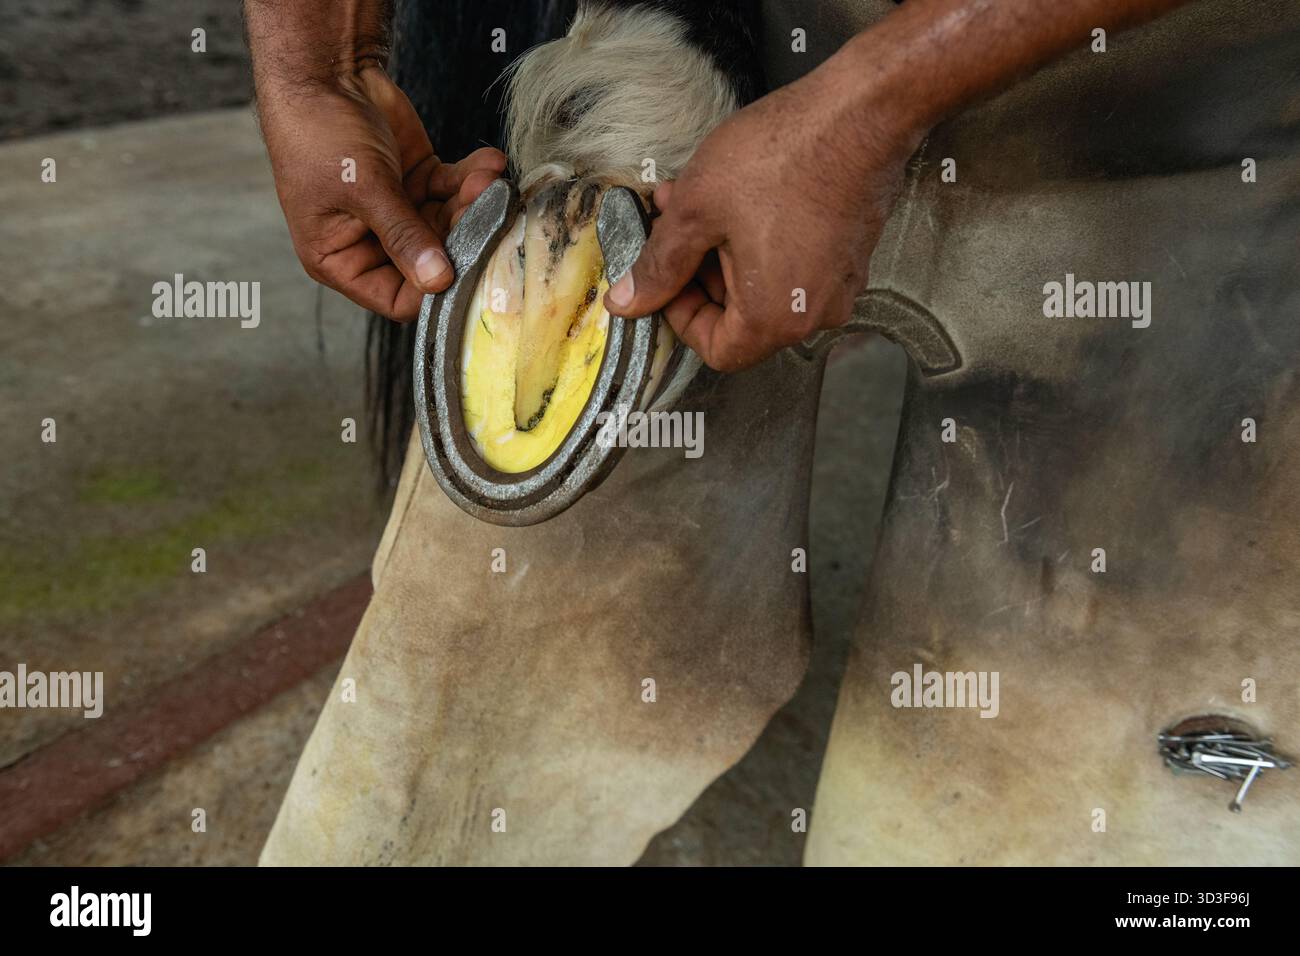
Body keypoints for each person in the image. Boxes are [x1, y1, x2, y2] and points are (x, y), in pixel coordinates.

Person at [248, 0, 1300, 865]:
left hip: (1180, 95)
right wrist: (316, 66)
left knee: (1076, 774)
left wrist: (868, 104)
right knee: (460, 721)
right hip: (701, 52)